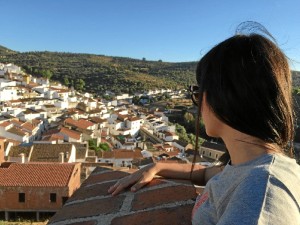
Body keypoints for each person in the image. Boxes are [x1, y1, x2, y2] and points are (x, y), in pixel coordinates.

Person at [108, 21, 300, 224]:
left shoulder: (260, 194)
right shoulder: (248, 167)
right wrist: (158, 167)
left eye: (197, 93)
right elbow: (209, 173)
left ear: (223, 96)